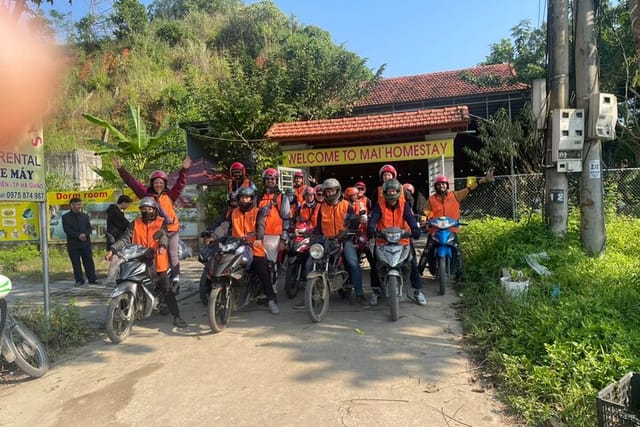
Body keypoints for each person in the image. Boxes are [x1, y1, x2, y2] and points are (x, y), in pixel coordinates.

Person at [106, 197, 187, 327]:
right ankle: (122, 311)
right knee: (121, 279)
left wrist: (162, 246)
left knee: (166, 289)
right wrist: (113, 250)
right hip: (137, 257)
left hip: (157, 259)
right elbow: (126, 238)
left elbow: (164, 236)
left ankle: (177, 316)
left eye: (150, 209)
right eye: (144, 209)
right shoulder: (135, 223)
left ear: (155, 210)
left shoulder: (161, 222)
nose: (147, 211)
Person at [114, 156, 191, 288]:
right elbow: (133, 183)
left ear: (165, 183)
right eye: (156, 183)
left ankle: (176, 279)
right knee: (145, 254)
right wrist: (121, 169)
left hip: (170, 230)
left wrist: (184, 170)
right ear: (152, 183)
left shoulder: (170, 195)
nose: (158, 185)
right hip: (153, 229)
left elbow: (180, 184)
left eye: (161, 182)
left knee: (172, 254)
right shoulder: (146, 194)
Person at [421, 169, 494, 276]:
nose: (441, 186)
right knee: (427, 250)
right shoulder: (431, 199)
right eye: (439, 184)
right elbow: (425, 212)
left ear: (447, 185)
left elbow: (469, 189)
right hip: (435, 230)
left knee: (458, 251)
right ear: (435, 186)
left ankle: (460, 274)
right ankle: (418, 272)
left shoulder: (455, 195)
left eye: (443, 184)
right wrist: (424, 221)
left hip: (451, 229)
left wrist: (482, 180)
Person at [367, 179, 426, 306]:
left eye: (394, 191)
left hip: (402, 240)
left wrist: (415, 229)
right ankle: (376, 291)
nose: (391, 193)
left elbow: (410, 218)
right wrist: (371, 228)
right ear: (384, 193)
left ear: (398, 192)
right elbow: (374, 218)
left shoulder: (404, 205)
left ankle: (417, 291)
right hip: (383, 240)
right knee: (375, 264)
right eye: (388, 191)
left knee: (412, 263)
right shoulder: (380, 205)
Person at [310, 178, 365, 304]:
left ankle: (359, 293)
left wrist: (347, 233)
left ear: (337, 190)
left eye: (332, 190)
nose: (330, 193)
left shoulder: (346, 205)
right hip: (327, 240)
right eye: (327, 191)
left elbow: (354, 223)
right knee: (311, 261)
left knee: (352, 263)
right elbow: (318, 226)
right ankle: (311, 293)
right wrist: (316, 237)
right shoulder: (322, 207)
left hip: (343, 240)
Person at [256, 168, 291, 270]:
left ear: (276, 181)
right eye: (267, 179)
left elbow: (286, 218)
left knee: (270, 265)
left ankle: (272, 286)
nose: (270, 181)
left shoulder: (282, 197)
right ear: (264, 180)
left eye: (273, 179)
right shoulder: (258, 197)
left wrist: (283, 239)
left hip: (273, 236)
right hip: (258, 235)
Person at [62, 198, 100, 286]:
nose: (79, 206)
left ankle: (92, 279)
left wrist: (85, 234)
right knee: (76, 263)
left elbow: (89, 228)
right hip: (73, 244)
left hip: (85, 243)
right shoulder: (65, 217)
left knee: (89, 262)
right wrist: (78, 235)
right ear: (72, 205)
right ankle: (79, 280)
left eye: (80, 204)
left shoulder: (84, 216)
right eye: (77, 204)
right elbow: (67, 230)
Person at [105, 195, 133, 287]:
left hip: (115, 238)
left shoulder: (114, 211)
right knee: (115, 260)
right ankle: (111, 280)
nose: (127, 206)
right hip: (116, 239)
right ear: (124, 202)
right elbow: (125, 224)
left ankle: (114, 278)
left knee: (117, 260)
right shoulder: (115, 213)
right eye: (127, 204)